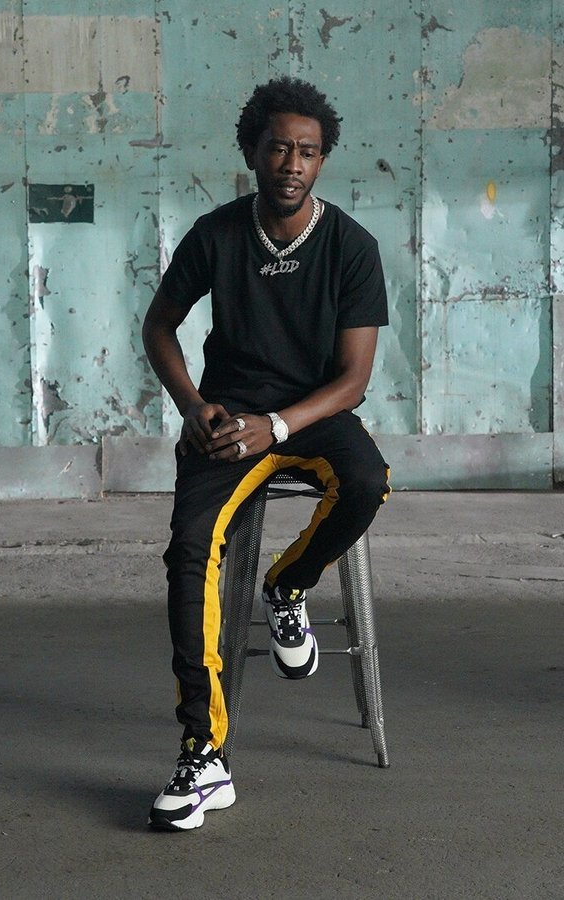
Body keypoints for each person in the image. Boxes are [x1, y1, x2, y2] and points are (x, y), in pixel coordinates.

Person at [142, 76, 390, 831]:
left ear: (323, 161)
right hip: (228, 415)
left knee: (367, 481)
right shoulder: (216, 234)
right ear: (252, 151)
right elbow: (159, 326)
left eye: (307, 152)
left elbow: (353, 380)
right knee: (190, 551)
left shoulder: (351, 246)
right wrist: (195, 408)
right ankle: (204, 753)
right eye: (279, 148)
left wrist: (277, 427)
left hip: (312, 414)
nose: (292, 164)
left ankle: (288, 585)